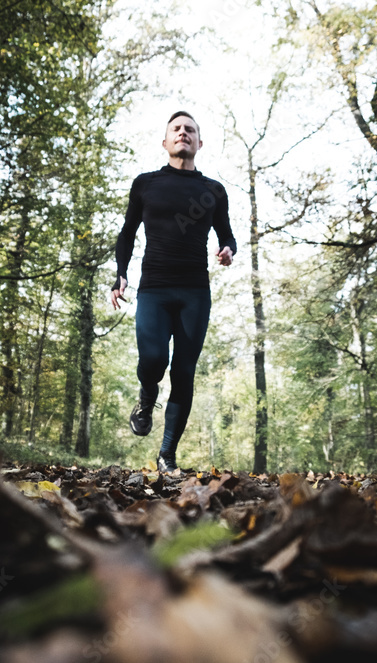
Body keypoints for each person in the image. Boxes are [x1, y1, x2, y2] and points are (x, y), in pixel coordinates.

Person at [110, 111, 237, 474]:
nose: (183, 133)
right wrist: (121, 274)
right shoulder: (146, 184)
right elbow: (127, 233)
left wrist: (228, 249)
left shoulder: (213, 191)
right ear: (165, 142)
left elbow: (226, 234)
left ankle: (167, 455)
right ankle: (147, 397)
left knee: (183, 372)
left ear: (199, 143)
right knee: (153, 362)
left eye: (190, 130)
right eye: (176, 129)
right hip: (154, 288)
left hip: (195, 292)